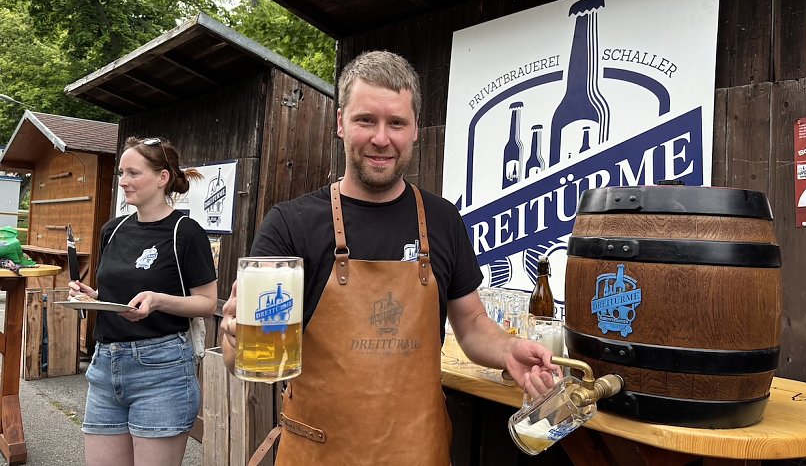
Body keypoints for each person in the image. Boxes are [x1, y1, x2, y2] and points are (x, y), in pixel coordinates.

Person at [220, 51, 558, 465]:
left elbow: (470, 323)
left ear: (415, 129)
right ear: (341, 123)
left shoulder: (443, 218)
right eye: (366, 120)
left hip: (419, 451)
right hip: (320, 453)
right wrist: (235, 337)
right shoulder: (291, 225)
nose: (381, 138)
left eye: (396, 122)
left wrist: (508, 350)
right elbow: (248, 356)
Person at [69, 137, 218, 466]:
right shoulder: (113, 229)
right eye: (121, 173)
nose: (123, 181)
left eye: (133, 173)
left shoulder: (186, 232)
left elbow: (207, 303)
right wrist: (92, 297)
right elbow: (114, 294)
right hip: (105, 366)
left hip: (162, 372)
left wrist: (159, 301)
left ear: (162, 177)